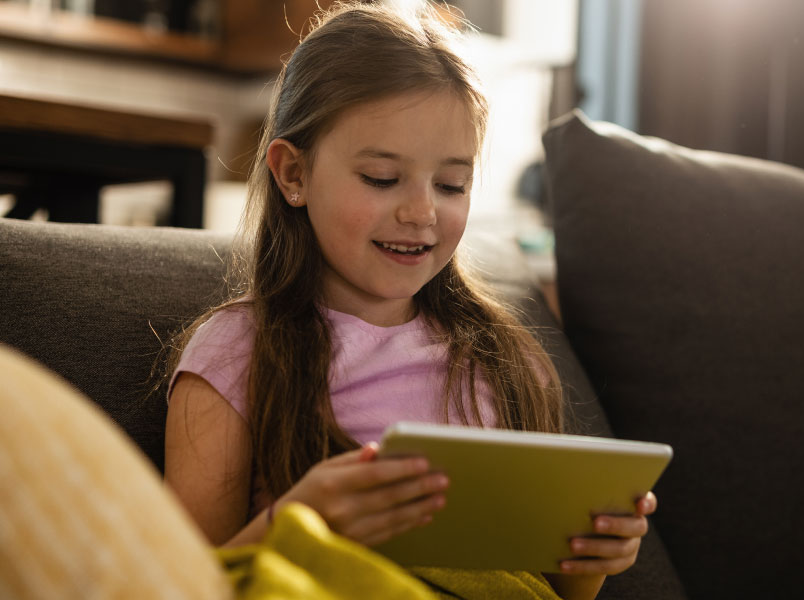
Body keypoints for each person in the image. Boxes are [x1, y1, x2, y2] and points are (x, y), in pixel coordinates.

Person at [162, 3, 656, 599]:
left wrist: (591, 555)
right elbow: (181, 582)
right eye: (380, 177)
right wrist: (299, 521)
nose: (421, 212)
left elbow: (549, 587)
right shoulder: (239, 352)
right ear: (293, 174)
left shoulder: (507, 362)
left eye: (452, 185)